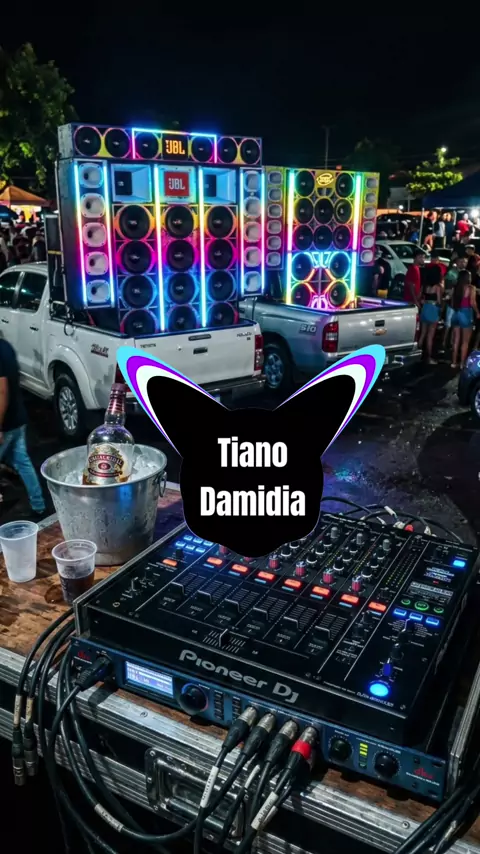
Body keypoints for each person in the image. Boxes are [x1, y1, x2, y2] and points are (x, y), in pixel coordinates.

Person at [0, 338, 45, 517]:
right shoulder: (5, 346)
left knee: (22, 462)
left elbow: (2, 391)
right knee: (22, 462)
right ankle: (38, 506)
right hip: (18, 417)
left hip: (6, 423)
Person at [450, 270, 479, 369]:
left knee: (456, 340)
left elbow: (452, 302)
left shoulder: (455, 287)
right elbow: (472, 302)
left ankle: (454, 362)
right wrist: (477, 312)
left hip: (456, 313)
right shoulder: (471, 288)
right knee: (465, 342)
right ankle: (462, 364)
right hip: (466, 313)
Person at [418, 264, 443, 364]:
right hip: (433, 310)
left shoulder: (424, 286)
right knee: (430, 336)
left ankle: (418, 354)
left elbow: (419, 297)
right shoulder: (437, 287)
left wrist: (424, 301)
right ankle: (428, 358)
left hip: (425, 309)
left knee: (422, 333)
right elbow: (439, 301)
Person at [442, 256, 467, 351]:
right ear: (457, 262)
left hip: (461, 304)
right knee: (448, 324)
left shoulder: (465, 273)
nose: (463, 263)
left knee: (456, 325)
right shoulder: (452, 272)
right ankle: (444, 342)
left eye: (464, 262)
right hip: (452, 302)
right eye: (461, 261)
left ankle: (452, 343)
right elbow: (447, 288)